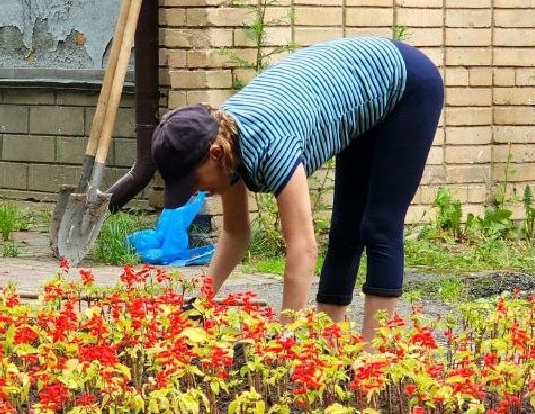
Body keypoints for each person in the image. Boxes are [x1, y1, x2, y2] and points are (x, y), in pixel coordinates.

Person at [152, 35, 444, 342]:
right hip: (361, 92)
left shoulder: (270, 145)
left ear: (213, 154)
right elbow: (236, 233)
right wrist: (198, 305)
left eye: (194, 181)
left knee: (378, 226)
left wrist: (284, 336)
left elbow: (303, 248)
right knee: (345, 228)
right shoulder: (224, 142)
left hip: (406, 85)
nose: (197, 191)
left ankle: (374, 360)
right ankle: (327, 348)